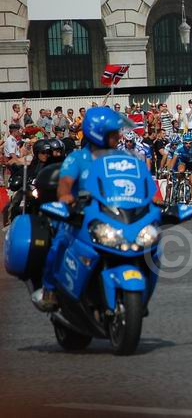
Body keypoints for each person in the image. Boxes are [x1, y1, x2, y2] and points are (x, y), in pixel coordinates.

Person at [37, 107, 132, 311]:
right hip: (80, 217)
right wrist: (66, 197)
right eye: (113, 132)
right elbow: (64, 187)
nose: (119, 135)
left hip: (113, 217)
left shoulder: (121, 158)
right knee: (59, 244)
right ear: (98, 133)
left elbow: (136, 183)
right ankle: (49, 289)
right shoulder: (76, 159)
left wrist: (151, 200)